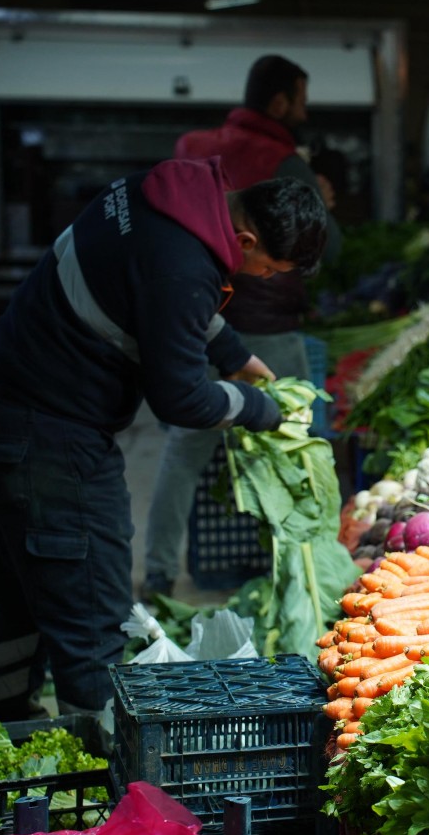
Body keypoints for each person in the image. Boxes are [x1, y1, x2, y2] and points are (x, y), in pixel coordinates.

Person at [0, 158, 328, 721]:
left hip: (1, 405)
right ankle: (102, 757)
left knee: (25, 588)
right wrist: (261, 408)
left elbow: (157, 297)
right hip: (49, 435)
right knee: (92, 608)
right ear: (246, 238)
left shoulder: (164, 196)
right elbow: (180, 398)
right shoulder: (183, 268)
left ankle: (10, 717)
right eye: (271, 269)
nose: (266, 279)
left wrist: (233, 354)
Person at [142, 55, 341, 600]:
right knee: (294, 442)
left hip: (202, 318)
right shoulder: (285, 161)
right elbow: (330, 246)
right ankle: (300, 569)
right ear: (280, 103)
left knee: (185, 452)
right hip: (269, 326)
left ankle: (158, 572)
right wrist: (324, 200)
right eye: (300, 99)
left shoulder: (192, 149)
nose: (303, 110)